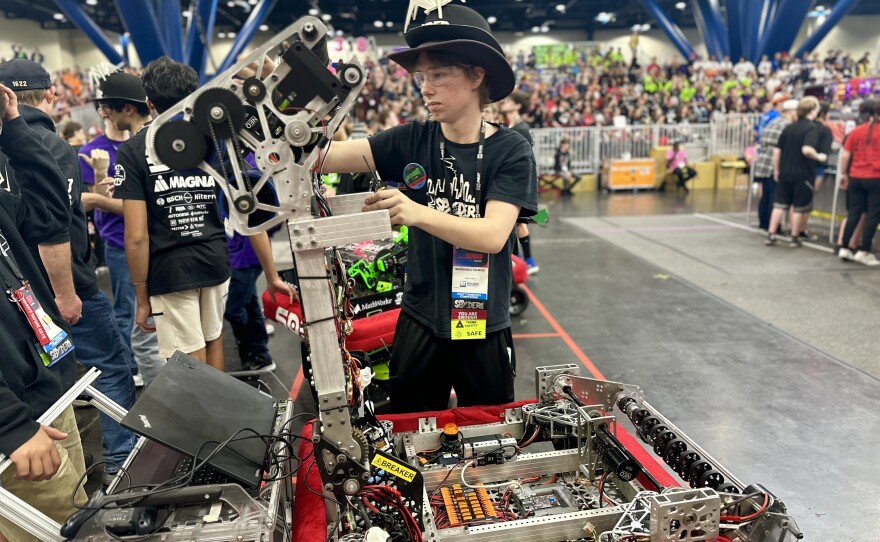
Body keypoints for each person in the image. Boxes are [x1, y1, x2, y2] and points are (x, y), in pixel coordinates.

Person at [322, 5, 538, 412]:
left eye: (439, 75)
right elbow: (325, 157)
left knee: (490, 437)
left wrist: (415, 211)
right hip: (420, 318)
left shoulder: (510, 149)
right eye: (421, 78)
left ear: (477, 76)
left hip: (482, 324)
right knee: (408, 431)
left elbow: (493, 236)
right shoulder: (410, 140)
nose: (425, 88)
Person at [0, 59, 136, 486]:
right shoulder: (50, 147)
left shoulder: (19, 146)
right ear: (50, 95)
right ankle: (121, 462)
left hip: (34, 330)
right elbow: (52, 226)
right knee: (110, 367)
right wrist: (63, 293)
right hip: (50, 305)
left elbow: (43, 214)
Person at [112, 57, 292, 371]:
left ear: (149, 102)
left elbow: (137, 238)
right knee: (212, 343)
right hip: (214, 261)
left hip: (170, 270)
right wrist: (272, 275)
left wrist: (141, 299)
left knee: (190, 365)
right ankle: (218, 421)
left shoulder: (134, 150)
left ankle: (206, 421)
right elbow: (248, 212)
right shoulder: (217, 140)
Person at [0, 84, 87, 542]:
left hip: (46, 383)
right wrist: (9, 424)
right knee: (52, 528)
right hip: (14, 423)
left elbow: (53, 215)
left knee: (78, 509)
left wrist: (14, 129)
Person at [78, 72, 166, 386]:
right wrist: (101, 176)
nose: (102, 112)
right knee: (131, 311)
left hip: (145, 240)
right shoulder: (94, 149)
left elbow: (138, 209)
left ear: (126, 108)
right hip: (119, 241)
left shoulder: (142, 145)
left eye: (107, 105)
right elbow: (100, 200)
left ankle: (166, 396)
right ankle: (135, 368)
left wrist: (101, 200)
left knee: (146, 312)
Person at [766, 96, 827, 247]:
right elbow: (806, 149)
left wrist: (777, 170)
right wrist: (819, 156)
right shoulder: (811, 128)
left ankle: (771, 233)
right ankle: (794, 236)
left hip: (785, 171)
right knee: (799, 206)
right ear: (812, 110)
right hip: (803, 173)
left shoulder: (789, 127)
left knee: (779, 205)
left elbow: (777, 151)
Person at [837, 100, 880, 266]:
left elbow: (845, 155)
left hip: (855, 176)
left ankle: (845, 247)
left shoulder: (857, 131)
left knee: (853, 213)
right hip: (876, 178)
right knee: (873, 215)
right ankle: (864, 250)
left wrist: (843, 174)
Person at [500, 90, 539, 274]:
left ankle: (529, 261)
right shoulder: (512, 126)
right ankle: (523, 260)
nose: (505, 102)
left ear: (516, 105)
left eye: (509, 101)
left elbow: (525, 160)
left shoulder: (521, 129)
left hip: (520, 183)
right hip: (517, 182)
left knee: (519, 223)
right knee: (517, 224)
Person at [753, 99, 797, 230]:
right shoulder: (787, 125)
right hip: (774, 162)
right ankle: (773, 225)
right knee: (774, 197)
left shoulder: (773, 122)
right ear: (792, 111)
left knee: (765, 195)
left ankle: (764, 223)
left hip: (764, 161)